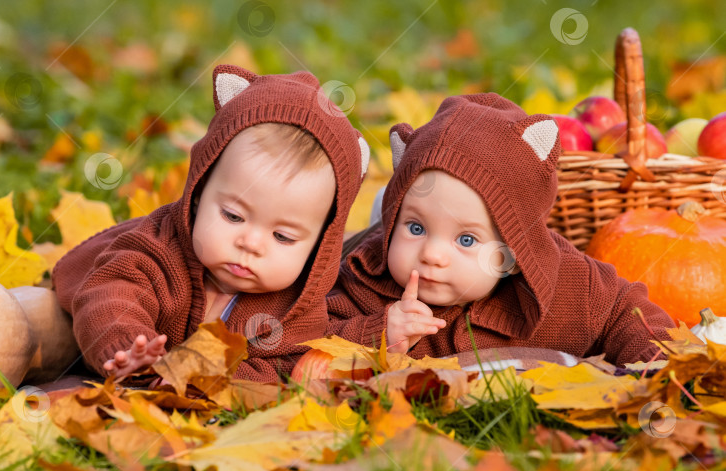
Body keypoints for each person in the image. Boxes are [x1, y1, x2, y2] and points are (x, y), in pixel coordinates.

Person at [52, 64, 370, 383]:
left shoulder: (297, 309)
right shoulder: (160, 249)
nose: (251, 243)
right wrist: (128, 348)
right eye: (233, 216)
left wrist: (204, 377)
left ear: (320, 246)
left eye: (283, 237)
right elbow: (111, 294)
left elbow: (282, 367)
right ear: (199, 190)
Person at [327, 93, 672, 367]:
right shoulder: (367, 281)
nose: (431, 254)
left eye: (466, 239)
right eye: (415, 227)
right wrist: (376, 333)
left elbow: (626, 312)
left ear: (513, 254)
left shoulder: (567, 289)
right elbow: (308, 335)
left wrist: (657, 366)